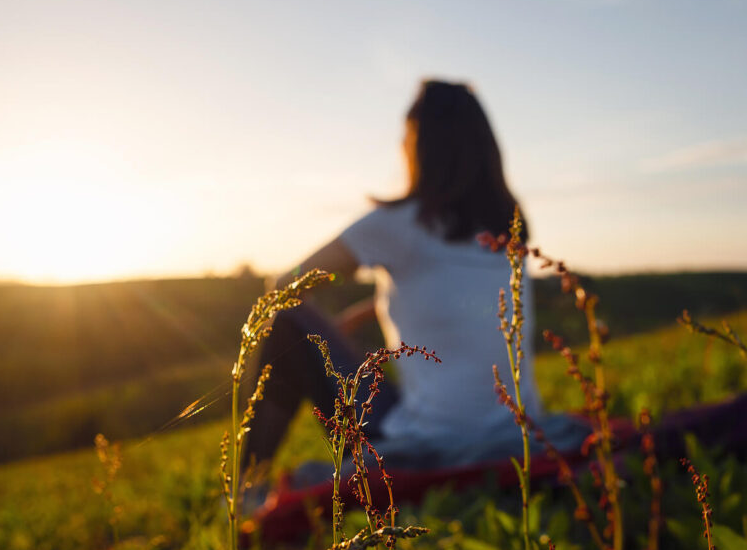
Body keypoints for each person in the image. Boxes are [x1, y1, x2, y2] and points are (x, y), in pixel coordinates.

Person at [243, 80, 591, 476]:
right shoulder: (508, 225)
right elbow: (457, 300)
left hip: (429, 443)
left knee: (285, 321)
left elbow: (286, 285)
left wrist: (322, 332)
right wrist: (370, 311)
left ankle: (246, 490)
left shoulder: (397, 224)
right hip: (520, 432)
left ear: (416, 145)